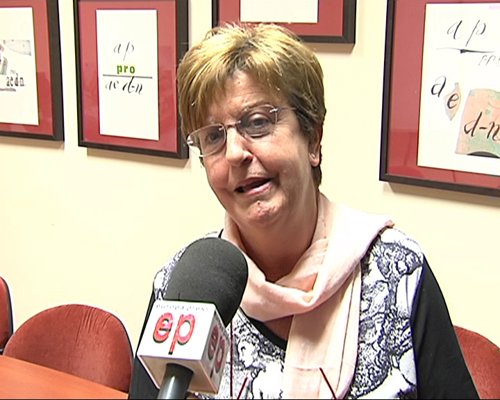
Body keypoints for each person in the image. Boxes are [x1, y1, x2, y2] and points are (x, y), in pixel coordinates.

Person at [129, 23, 478, 399]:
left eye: (257, 123)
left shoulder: (399, 275)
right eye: (213, 136)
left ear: (312, 138)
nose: (234, 153)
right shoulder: (183, 290)